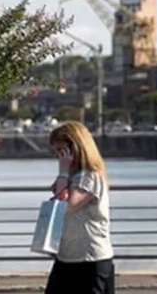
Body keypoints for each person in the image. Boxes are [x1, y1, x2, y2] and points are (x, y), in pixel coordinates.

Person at [45, 121, 115, 294]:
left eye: (62, 151)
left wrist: (63, 171)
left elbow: (67, 206)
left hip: (90, 260)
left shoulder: (90, 177)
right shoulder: (72, 176)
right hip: (66, 258)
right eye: (57, 152)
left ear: (76, 148)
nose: (59, 156)